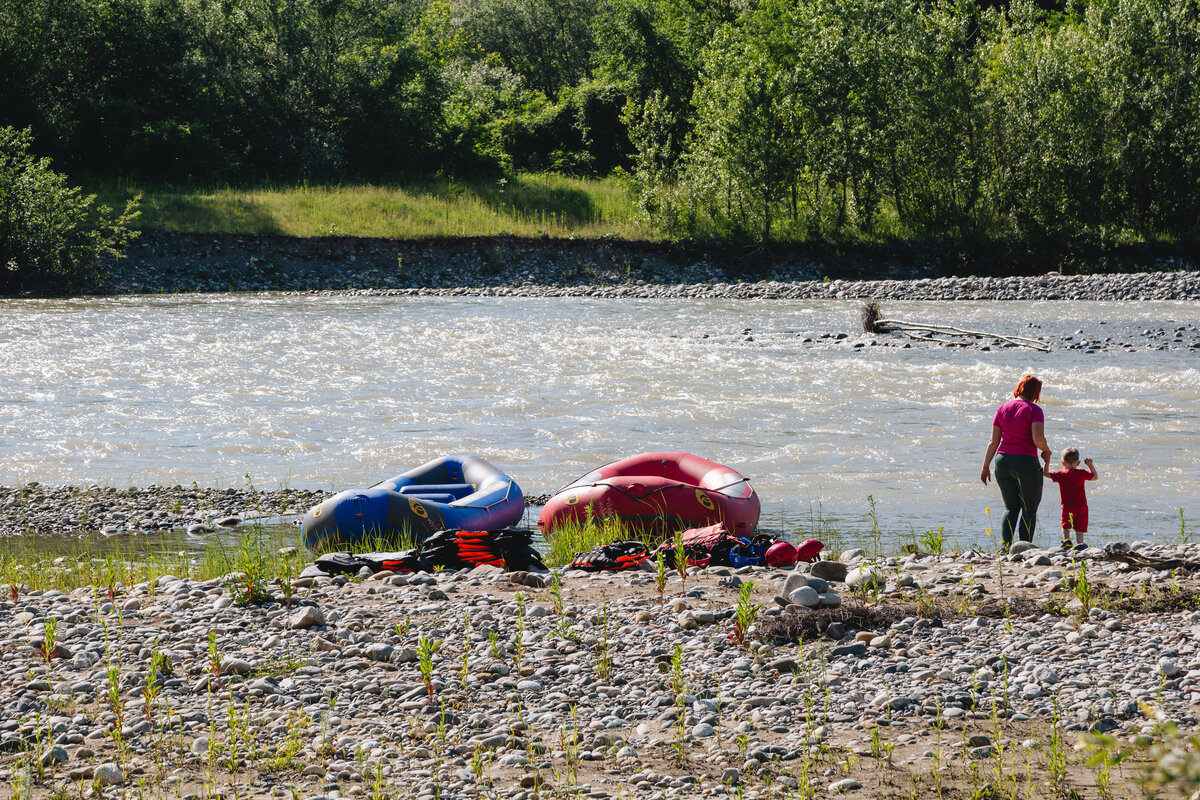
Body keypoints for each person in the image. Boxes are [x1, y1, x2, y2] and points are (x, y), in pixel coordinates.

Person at [980, 375, 1052, 549]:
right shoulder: (1034, 410)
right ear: (1035, 392)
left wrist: (985, 467)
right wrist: (1047, 450)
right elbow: (1037, 439)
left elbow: (993, 442)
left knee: (1010, 508)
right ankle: (1024, 549)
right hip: (1026, 462)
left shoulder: (1002, 408)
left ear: (1019, 388)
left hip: (1002, 461)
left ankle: (1005, 548)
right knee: (1029, 508)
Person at [1043, 447, 1098, 548]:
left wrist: (1047, 461)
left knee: (1065, 525)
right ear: (1078, 463)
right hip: (1082, 506)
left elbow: (1045, 474)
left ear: (1063, 463)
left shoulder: (1061, 475)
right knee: (1079, 530)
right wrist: (1090, 465)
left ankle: (1066, 541)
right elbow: (1095, 477)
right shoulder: (1082, 473)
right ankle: (1080, 546)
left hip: (1068, 506)